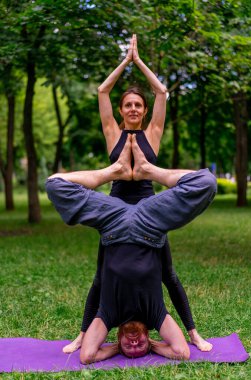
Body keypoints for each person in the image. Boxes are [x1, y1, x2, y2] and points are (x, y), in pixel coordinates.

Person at [62, 34, 213, 355]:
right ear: (121, 110)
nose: (133, 108)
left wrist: (140, 61)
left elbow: (162, 91)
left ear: (144, 112)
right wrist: (125, 61)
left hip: (149, 211)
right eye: (128, 104)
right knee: (102, 276)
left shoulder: (152, 135)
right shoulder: (112, 134)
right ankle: (81, 335)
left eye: (138, 105)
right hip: (114, 211)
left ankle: (194, 333)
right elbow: (102, 90)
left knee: (168, 274)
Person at [46, 134, 217, 363]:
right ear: (149, 337)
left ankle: (114, 171)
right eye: (141, 345)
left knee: (55, 185)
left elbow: (87, 355)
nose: (133, 342)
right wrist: (193, 335)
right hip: (150, 221)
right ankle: (148, 169)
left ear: (118, 338)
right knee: (207, 183)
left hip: (112, 221)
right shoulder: (155, 315)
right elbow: (180, 351)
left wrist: (85, 337)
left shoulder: (109, 315)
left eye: (129, 347)